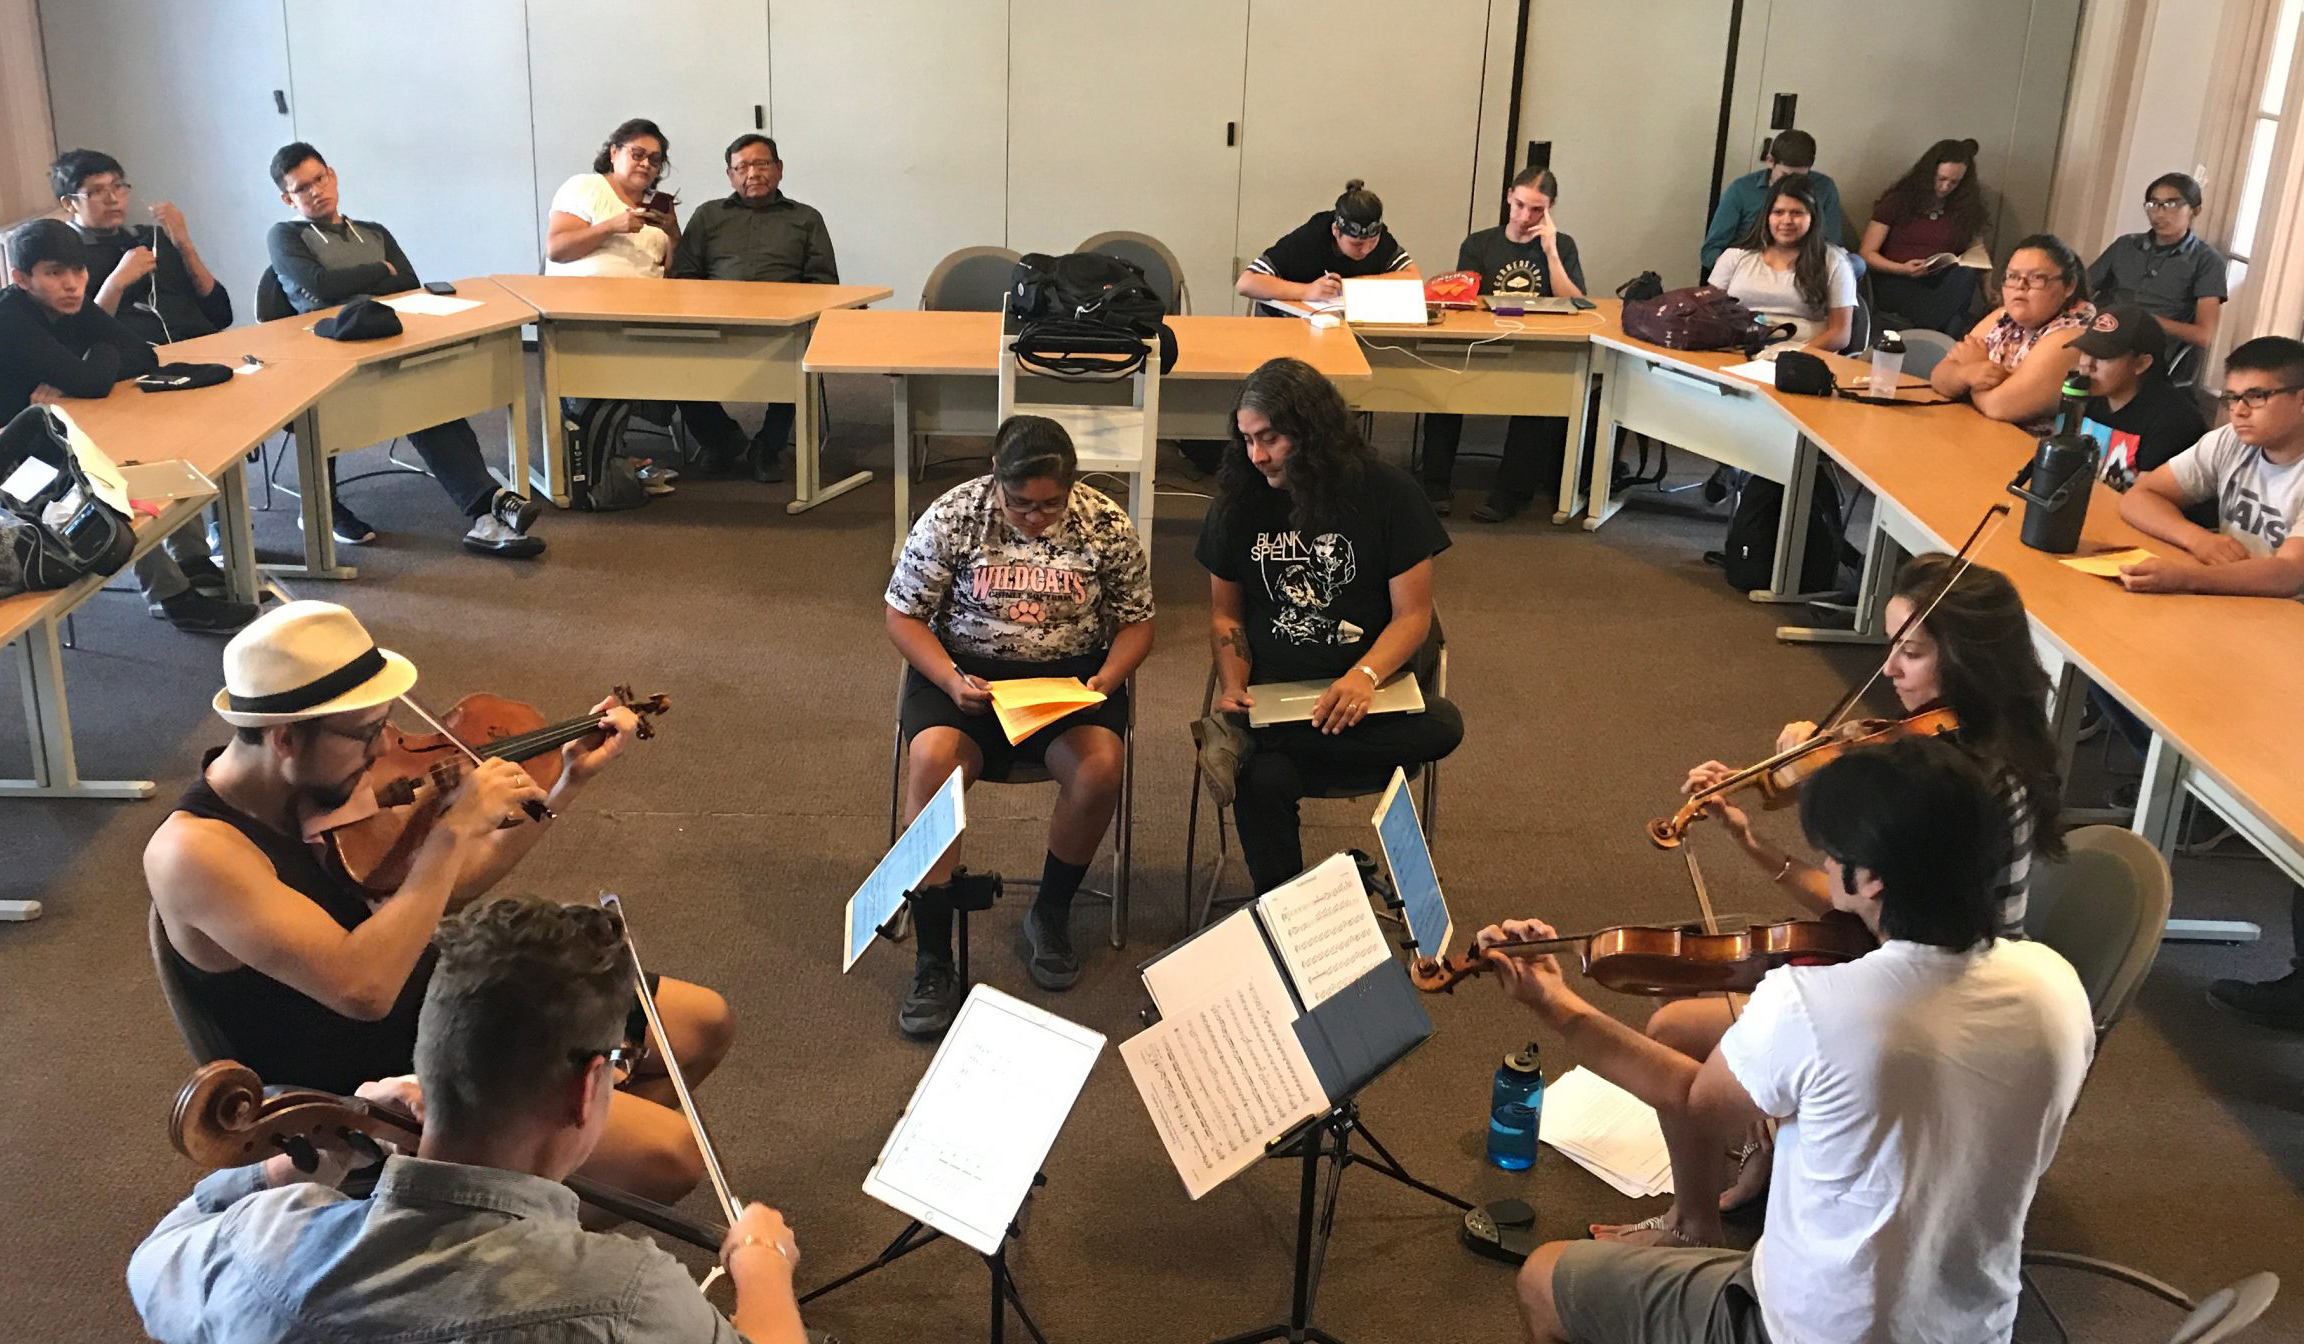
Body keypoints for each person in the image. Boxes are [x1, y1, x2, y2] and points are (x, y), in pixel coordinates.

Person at [1490, 738, 2095, 1344]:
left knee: (1543, 1278)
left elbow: (1696, 1105)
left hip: (1814, 1332)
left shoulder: (1812, 1003)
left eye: (1832, 851)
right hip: (1975, 1329)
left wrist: (1555, 1003)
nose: (1827, 864)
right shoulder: (2057, 985)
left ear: (1874, 878)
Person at [142, 600, 732, 1208]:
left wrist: (565, 783)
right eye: (366, 734)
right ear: (286, 738)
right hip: (376, 1088)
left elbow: (447, 887)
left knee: (704, 1022)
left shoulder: (314, 789)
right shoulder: (195, 853)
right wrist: (450, 830)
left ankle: (520, 1196)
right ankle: (495, 1225)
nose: (380, 753)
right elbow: (363, 988)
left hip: (443, 1008)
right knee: (670, 1156)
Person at [1619, 552, 2067, 1238]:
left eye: (1910, 652)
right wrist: (1750, 836)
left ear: (1969, 660)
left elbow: (1870, 909)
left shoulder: (1961, 788)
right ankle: (1763, 1162)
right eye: (1890, 647)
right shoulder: (1964, 755)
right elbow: (1861, 900)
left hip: (1939, 998)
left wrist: (1826, 781)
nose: (1888, 670)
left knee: (1673, 1031)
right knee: (1707, 1008)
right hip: (1909, 962)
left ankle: (1692, 1225)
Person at [128, 896, 813, 1344]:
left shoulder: (264, 1243)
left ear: (429, 1056)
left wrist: (298, 1164)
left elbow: (153, 1262)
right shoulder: (629, 1302)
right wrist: (762, 1267)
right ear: (586, 1090)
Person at [883, 416, 1152, 1037]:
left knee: (1100, 768)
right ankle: (933, 954)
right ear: (996, 483)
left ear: (1071, 488)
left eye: (1049, 505)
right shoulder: (954, 515)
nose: (1034, 517)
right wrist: (950, 679)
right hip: (963, 676)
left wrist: (1107, 680)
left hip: (1067, 682)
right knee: (931, 764)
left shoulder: (1104, 523)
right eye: (1020, 504)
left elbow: (1138, 621)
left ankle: (1050, 914)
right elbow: (903, 616)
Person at [1193, 358, 1463, 897]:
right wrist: (1234, 686)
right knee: (1261, 780)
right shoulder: (1238, 505)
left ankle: (1254, 741)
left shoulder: (1389, 494)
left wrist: (1363, 676)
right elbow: (1227, 614)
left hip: (1369, 701)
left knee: (1442, 724)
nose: (1258, 456)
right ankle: (1290, 915)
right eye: (1247, 440)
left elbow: (1413, 617)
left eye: (1270, 438)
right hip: (1277, 691)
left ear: (1311, 431)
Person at [265, 142, 544, 557]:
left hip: (390, 342)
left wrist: (356, 281)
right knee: (414, 399)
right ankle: (321, 502)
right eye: (302, 188)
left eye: (319, 179)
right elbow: (321, 289)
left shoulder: (374, 231)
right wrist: (379, 271)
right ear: (288, 198)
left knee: (430, 402)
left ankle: (487, 513)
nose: (316, 191)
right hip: (327, 359)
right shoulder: (285, 236)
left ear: (333, 175)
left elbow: (408, 283)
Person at [0, 218, 256, 633]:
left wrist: (88, 361)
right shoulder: (11, 316)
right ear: (22, 279)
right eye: (54, 273)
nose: (71, 284)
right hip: (15, 461)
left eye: (78, 271)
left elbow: (143, 356)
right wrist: (90, 367)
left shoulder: (70, 303)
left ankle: (193, 559)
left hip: (59, 431)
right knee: (112, 486)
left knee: (165, 449)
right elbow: (94, 382)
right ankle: (172, 597)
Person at [668, 135, 838, 482]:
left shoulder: (806, 219)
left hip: (784, 328)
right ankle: (721, 439)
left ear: (779, 170)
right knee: (673, 361)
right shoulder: (708, 215)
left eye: (761, 164)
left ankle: (768, 446)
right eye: (742, 167)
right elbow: (684, 276)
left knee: (798, 361)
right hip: (715, 324)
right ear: (730, 176)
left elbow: (823, 283)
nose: (753, 173)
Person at [1421, 166, 1585, 523]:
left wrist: (1551, 252)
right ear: (1509, 196)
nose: (1526, 216)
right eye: (1521, 205)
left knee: (1537, 400)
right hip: (1479, 343)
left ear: (1551, 209)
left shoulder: (1562, 246)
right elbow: (1462, 301)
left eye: (1537, 209)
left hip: (1535, 348)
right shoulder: (1480, 244)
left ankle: (1511, 493)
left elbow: (1574, 301)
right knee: (1442, 387)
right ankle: (1434, 485)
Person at [2117, 334, 2304, 599]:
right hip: (2230, 594)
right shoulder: (2231, 440)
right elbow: (2138, 498)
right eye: (2232, 397)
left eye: (2257, 396)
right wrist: (2198, 540)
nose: (2238, 410)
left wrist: (2185, 578)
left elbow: (2290, 574)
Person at [51, 148, 232, 347]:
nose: (112, 199)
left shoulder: (149, 238)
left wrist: (184, 245)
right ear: (69, 203)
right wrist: (116, 284)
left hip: (205, 349)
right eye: (97, 191)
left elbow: (220, 315)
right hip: (141, 364)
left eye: (118, 186)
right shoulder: (62, 258)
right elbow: (80, 341)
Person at [1930, 233, 2095, 434]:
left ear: (2069, 286)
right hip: (1976, 431)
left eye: (2036, 278)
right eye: (2012, 276)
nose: (2020, 286)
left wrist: (1974, 370)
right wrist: (1969, 373)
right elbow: (1939, 376)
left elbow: (1999, 406)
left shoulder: (2073, 335)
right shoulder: (2003, 316)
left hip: (2030, 453)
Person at [2073, 303, 2210, 521]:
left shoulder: (2173, 420)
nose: (2087, 365)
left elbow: (2149, 505)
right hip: (2091, 513)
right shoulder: (2087, 394)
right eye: (2085, 352)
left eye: (2104, 357)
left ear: (2141, 364)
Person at [2087, 172, 2226, 371]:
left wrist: (2147, 320)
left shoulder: (2206, 260)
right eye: (2153, 205)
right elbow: (2085, 288)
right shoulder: (2125, 245)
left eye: (2171, 205)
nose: (2160, 214)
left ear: (2195, 210)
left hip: (2148, 346)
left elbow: (2203, 335)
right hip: (2102, 330)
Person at [1705, 173, 1856, 351]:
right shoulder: (1735, 256)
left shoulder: (1834, 262)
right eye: (1778, 212)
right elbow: (1708, 313)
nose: (1786, 221)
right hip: (1735, 352)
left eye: (1797, 213)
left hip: (1800, 359)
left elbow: (1840, 334)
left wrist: (1791, 356)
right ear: (1767, 216)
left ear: (1812, 218)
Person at [1859, 138, 1986, 335]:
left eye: (1954, 182)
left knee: (1966, 273)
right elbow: (1867, 253)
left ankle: (1927, 333)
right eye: (1941, 179)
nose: (1945, 187)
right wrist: (1902, 269)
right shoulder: (1898, 201)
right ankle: (1932, 335)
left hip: (1940, 283)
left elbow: (1978, 254)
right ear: (1929, 173)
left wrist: (1989, 291)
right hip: (1897, 280)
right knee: (1953, 318)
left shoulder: (1965, 209)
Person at [1236, 179, 1419, 316]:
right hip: (1287, 323)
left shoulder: (1379, 237)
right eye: (1357, 244)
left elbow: (1412, 279)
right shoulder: (1310, 238)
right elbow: (1246, 283)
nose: (1366, 250)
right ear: (1335, 231)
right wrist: (1308, 291)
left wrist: (1352, 286)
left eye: (1372, 242)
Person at [545, 118, 679, 278]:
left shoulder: (659, 205)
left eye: (655, 159)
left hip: (647, 298)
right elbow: (556, 250)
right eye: (637, 154)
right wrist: (611, 227)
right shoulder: (585, 186)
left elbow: (672, 275)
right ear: (613, 153)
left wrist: (674, 236)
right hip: (584, 296)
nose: (645, 164)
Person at [1700, 129, 1845, 275]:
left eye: (1801, 178)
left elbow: (1831, 243)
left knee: (1854, 264)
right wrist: (1732, 270)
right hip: (1751, 264)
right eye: (1785, 175)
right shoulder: (1741, 189)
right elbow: (1711, 250)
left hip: (1803, 266)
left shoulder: (1824, 187)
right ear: (1770, 161)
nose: (1791, 184)